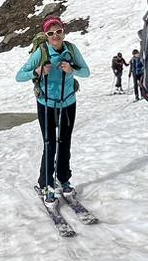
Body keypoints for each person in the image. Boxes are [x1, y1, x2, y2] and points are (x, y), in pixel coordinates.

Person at [15, 16, 91, 202]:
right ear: (46, 36)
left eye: (58, 31)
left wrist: (72, 69)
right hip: (47, 104)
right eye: (51, 33)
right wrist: (38, 71)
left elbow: (86, 72)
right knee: (50, 144)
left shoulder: (71, 50)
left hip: (68, 103)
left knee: (65, 142)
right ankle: (46, 183)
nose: (55, 36)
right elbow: (19, 76)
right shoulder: (41, 53)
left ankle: (64, 180)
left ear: (63, 32)